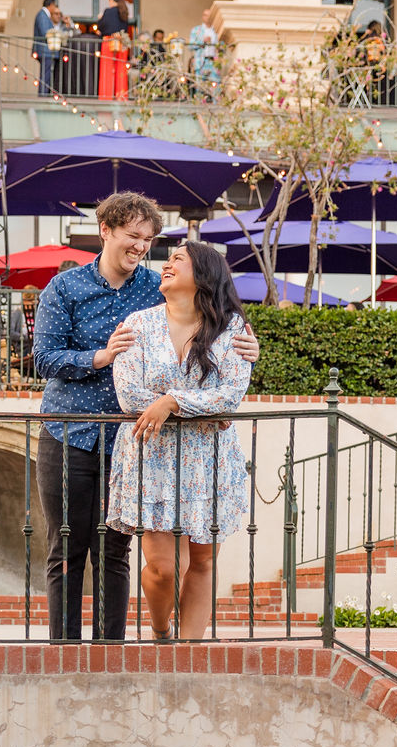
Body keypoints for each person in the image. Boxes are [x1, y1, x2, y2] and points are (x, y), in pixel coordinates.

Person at [33, 191, 258, 642]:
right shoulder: (65, 288)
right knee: (66, 550)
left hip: (136, 443)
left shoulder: (155, 288)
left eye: (149, 239)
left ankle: (110, 649)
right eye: (133, 236)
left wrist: (252, 350)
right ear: (106, 230)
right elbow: (43, 359)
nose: (141, 246)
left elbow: (206, 321)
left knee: (115, 553)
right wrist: (100, 357)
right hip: (70, 433)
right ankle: (64, 651)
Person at [108, 240, 252, 641]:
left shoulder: (231, 329)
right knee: (166, 565)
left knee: (203, 562)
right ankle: (160, 629)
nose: (166, 265)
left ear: (203, 275)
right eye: (168, 259)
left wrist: (171, 402)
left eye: (177, 259)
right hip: (151, 457)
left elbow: (231, 394)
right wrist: (196, 409)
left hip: (209, 460)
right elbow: (129, 395)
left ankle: (187, 655)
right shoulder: (138, 324)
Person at [97, 0, 130, 100]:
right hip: (122, 42)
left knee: (106, 69)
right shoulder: (124, 12)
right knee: (121, 70)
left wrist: (100, 18)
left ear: (111, 0)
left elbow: (101, 27)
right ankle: (121, 96)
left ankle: (106, 96)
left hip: (109, 41)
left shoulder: (108, 11)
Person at [189, 8, 220, 91]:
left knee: (216, 86)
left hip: (213, 61)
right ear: (203, 17)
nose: (208, 18)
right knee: (199, 87)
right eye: (205, 15)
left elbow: (222, 45)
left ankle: (215, 103)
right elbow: (191, 46)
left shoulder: (216, 30)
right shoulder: (196, 30)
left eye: (210, 16)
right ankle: (199, 102)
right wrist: (202, 41)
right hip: (200, 61)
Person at [32, 0, 56, 95]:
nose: (54, 9)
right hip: (44, 50)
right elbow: (45, 32)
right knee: (45, 74)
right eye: (54, 6)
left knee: (46, 74)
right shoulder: (42, 15)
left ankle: (44, 94)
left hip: (44, 50)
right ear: (50, 5)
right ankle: (43, 95)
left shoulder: (43, 15)